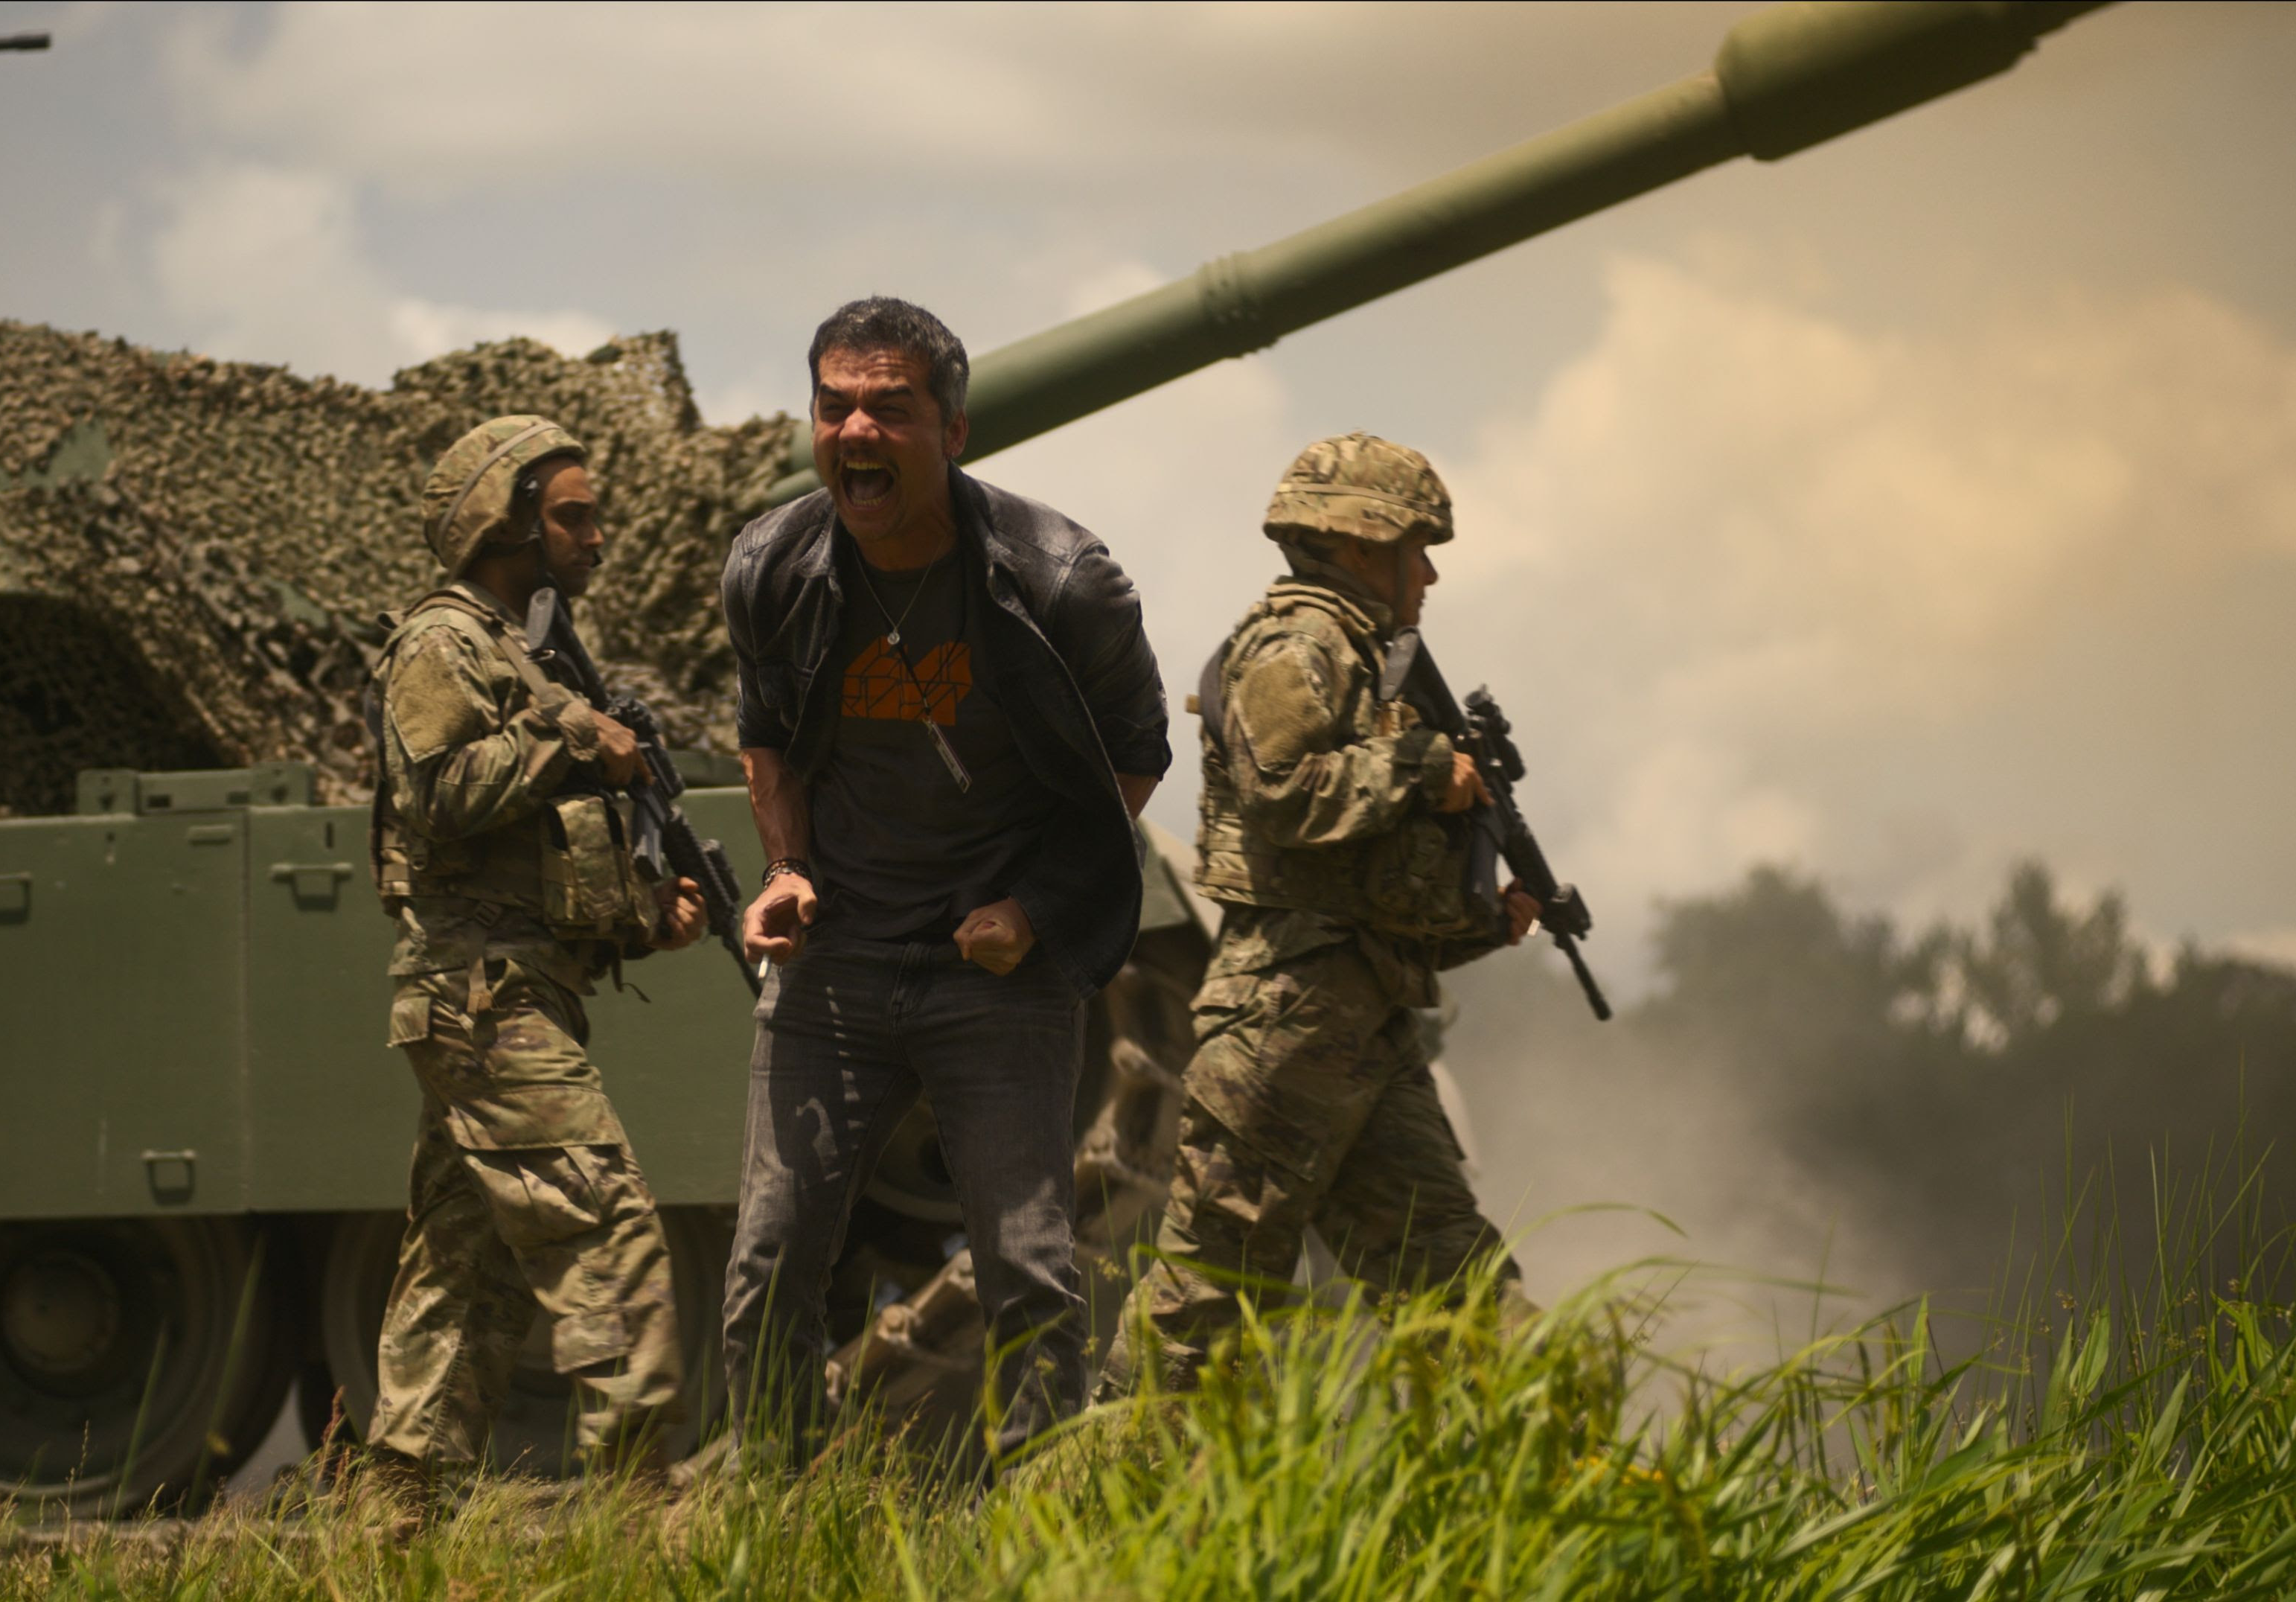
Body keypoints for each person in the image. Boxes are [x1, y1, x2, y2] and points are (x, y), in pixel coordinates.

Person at [718, 296, 1169, 1460]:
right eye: (833, 406)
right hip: (837, 961)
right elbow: (765, 730)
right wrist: (786, 869)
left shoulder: (1061, 581)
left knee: (1027, 1263)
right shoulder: (772, 565)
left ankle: (1035, 1516)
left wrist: (1037, 910)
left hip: (996, 972)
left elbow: (1137, 753)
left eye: (890, 409)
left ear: (954, 431)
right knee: (770, 1257)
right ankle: (769, 1519)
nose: (855, 431)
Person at [1099, 433, 1538, 1397]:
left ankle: (1571, 1486)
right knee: (1207, 1292)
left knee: (1451, 1278)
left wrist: (1476, 921)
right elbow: (1285, 796)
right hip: (1282, 1019)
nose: (1425, 574)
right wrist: (1424, 771)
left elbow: (1361, 887)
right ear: (1358, 543)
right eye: (1415, 549)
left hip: (1350, 1022)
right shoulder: (1301, 644)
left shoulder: (1359, 655)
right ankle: (1085, 1511)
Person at [361, 414, 709, 1488]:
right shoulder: (442, 642)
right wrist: (572, 737)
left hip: (511, 988)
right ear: (505, 521)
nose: (595, 537)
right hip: (483, 999)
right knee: (610, 1243)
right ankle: (634, 1523)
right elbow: (438, 798)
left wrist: (644, 919)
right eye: (573, 516)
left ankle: (396, 1535)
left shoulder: (517, 652)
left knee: (464, 1282)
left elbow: (527, 859)